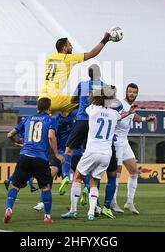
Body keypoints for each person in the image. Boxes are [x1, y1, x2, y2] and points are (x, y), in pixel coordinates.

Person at [61, 86, 138, 221]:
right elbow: (119, 116)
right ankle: (91, 212)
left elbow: (91, 100)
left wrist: (98, 92)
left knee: (78, 177)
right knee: (94, 181)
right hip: (106, 154)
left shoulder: (92, 109)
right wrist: (128, 112)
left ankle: (73, 210)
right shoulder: (114, 114)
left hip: (92, 151)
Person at [4, 98, 65, 224]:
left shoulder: (27, 119)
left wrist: (19, 142)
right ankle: (47, 216)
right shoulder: (50, 120)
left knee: (15, 186)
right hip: (40, 158)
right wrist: (57, 154)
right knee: (46, 187)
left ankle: (9, 209)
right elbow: (50, 136)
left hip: (25, 156)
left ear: (37, 107)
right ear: (49, 108)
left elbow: (9, 135)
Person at [38, 30, 118, 117]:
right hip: (55, 99)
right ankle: (90, 121)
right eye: (70, 45)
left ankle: (64, 116)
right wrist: (105, 39)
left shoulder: (50, 58)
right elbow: (92, 53)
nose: (72, 47)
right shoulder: (67, 58)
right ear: (64, 48)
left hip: (42, 98)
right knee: (84, 100)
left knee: (46, 124)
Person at [59, 64, 106, 195]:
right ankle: (88, 186)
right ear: (99, 74)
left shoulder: (82, 85)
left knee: (69, 150)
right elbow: (109, 104)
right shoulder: (105, 86)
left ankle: (66, 176)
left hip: (81, 120)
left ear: (89, 74)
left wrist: (82, 101)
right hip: (95, 123)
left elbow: (73, 99)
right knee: (92, 154)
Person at [110, 83, 156, 215]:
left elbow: (132, 116)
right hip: (116, 141)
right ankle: (113, 202)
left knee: (134, 171)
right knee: (116, 174)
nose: (132, 94)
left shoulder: (131, 107)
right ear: (126, 92)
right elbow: (116, 118)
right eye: (130, 92)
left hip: (125, 142)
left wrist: (146, 119)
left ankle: (129, 202)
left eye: (134, 92)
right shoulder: (119, 103)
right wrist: (129, 112)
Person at [33, 109, 77, 212]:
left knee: (50, 175)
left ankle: (42, 202)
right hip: (66, 151)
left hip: (66, 151)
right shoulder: (62, 118)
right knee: (51, 173)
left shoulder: (62, 117)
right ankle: (42, 202)